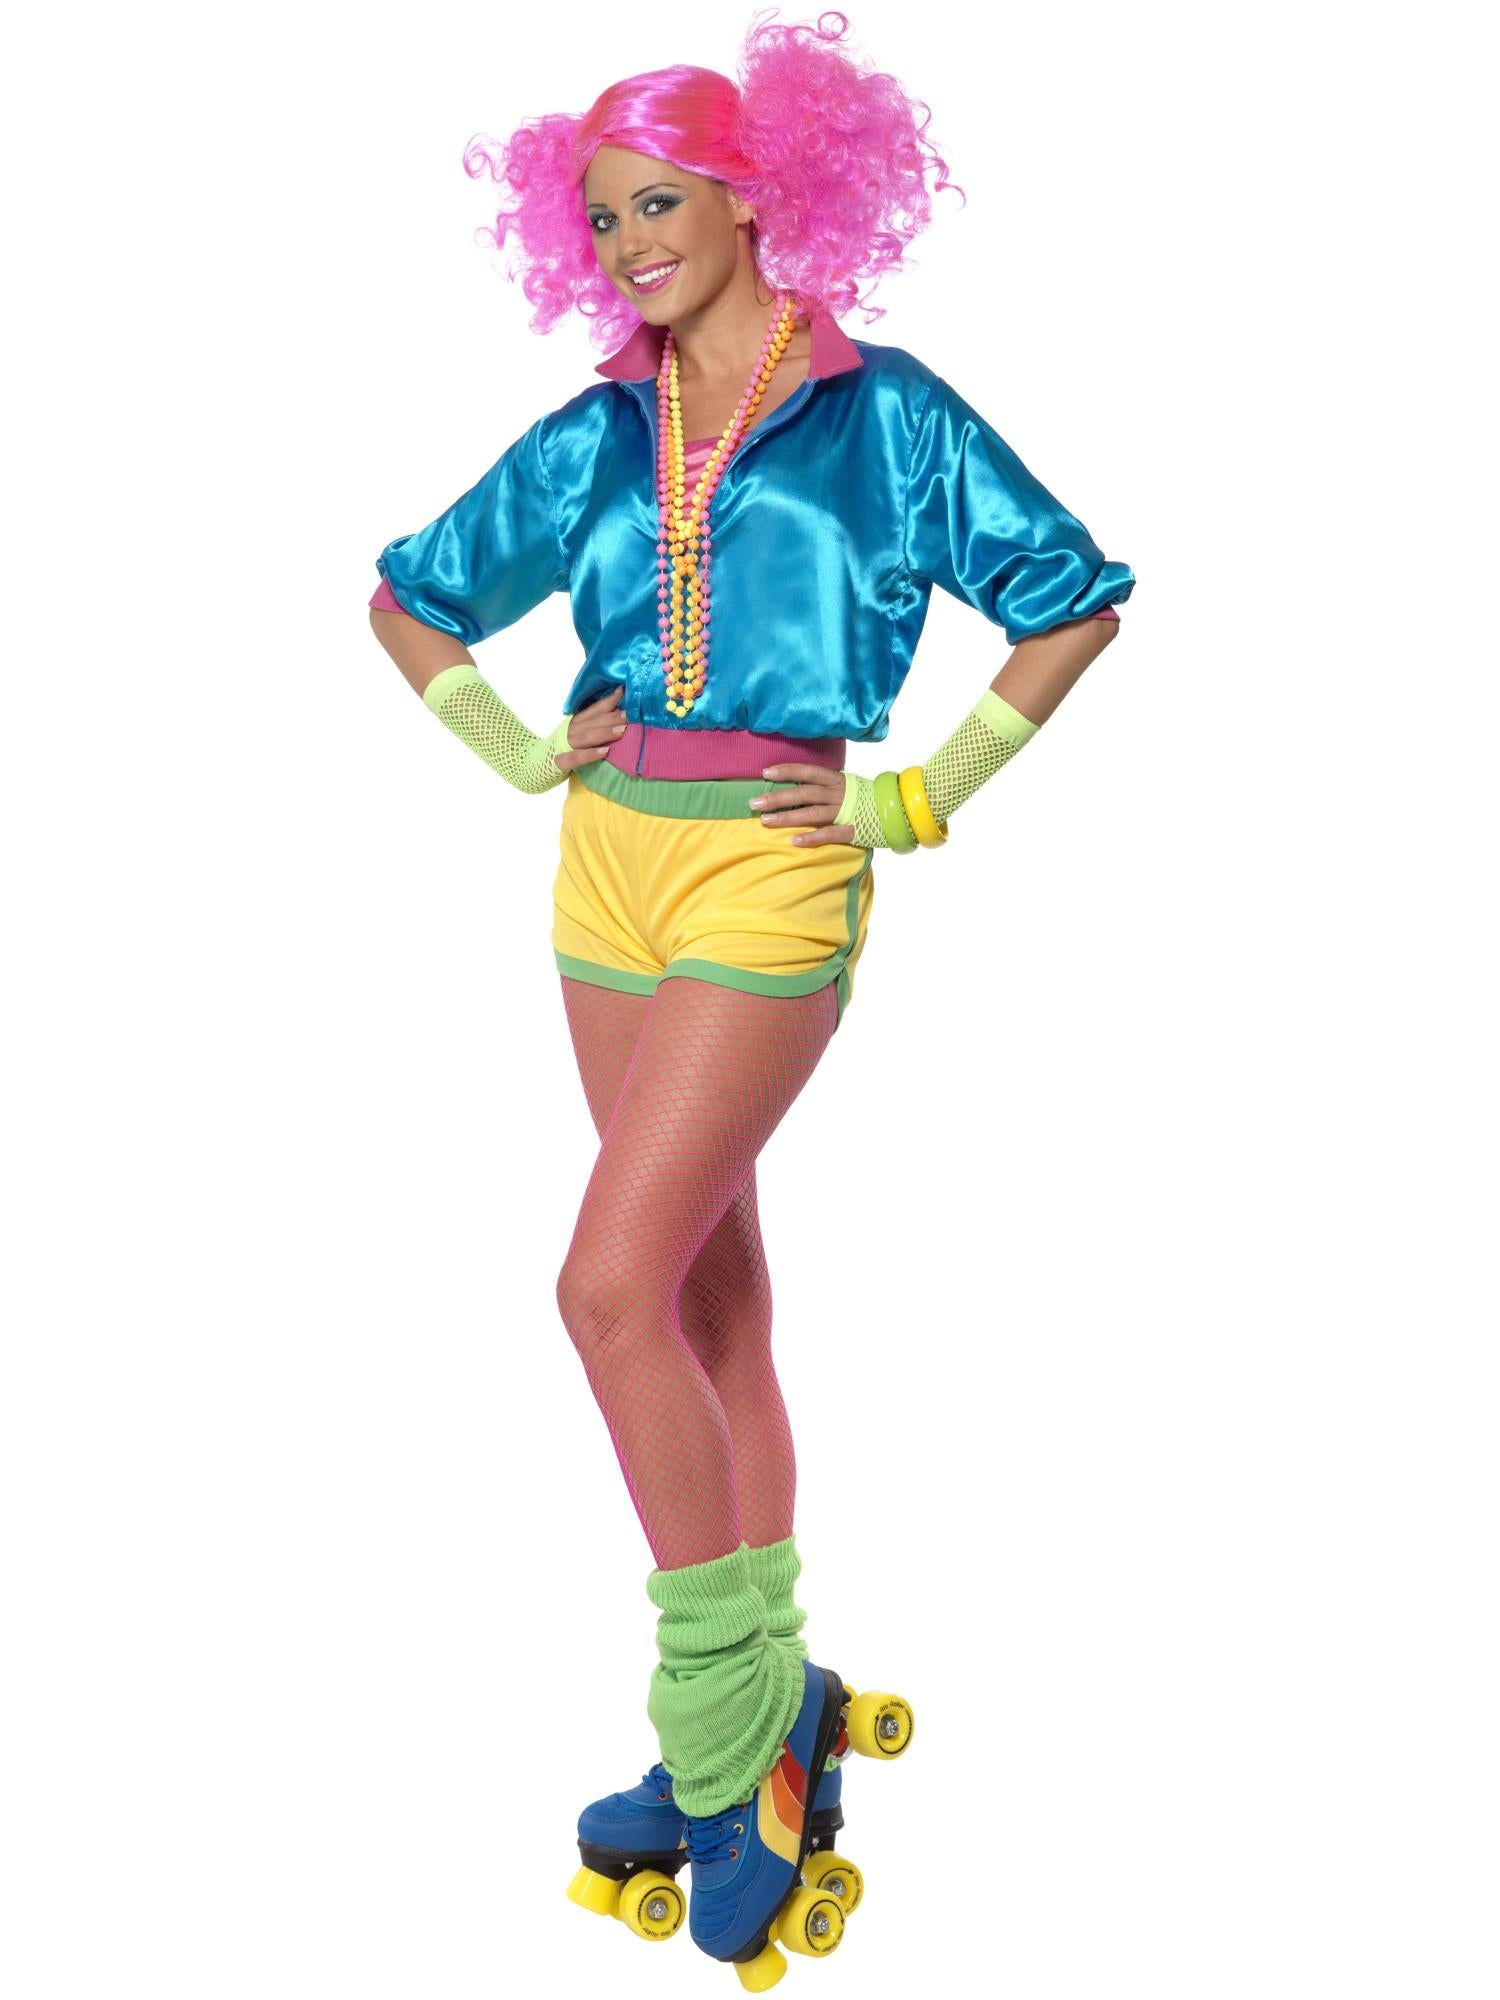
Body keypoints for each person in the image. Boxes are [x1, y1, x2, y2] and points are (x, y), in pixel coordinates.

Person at [368, 10, 1134, 1983]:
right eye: (601, 215)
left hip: (774, 871)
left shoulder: (890, 417)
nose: (629, 242)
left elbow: (1073, 598)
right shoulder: (594, 433)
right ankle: (780, 1687)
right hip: (602, 867)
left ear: (753, 195)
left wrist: (916, 796)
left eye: (660, 203)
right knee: (707, 1302)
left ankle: (722, 1750)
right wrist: (511, 746)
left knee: (601, 1290)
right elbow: (406, 595)